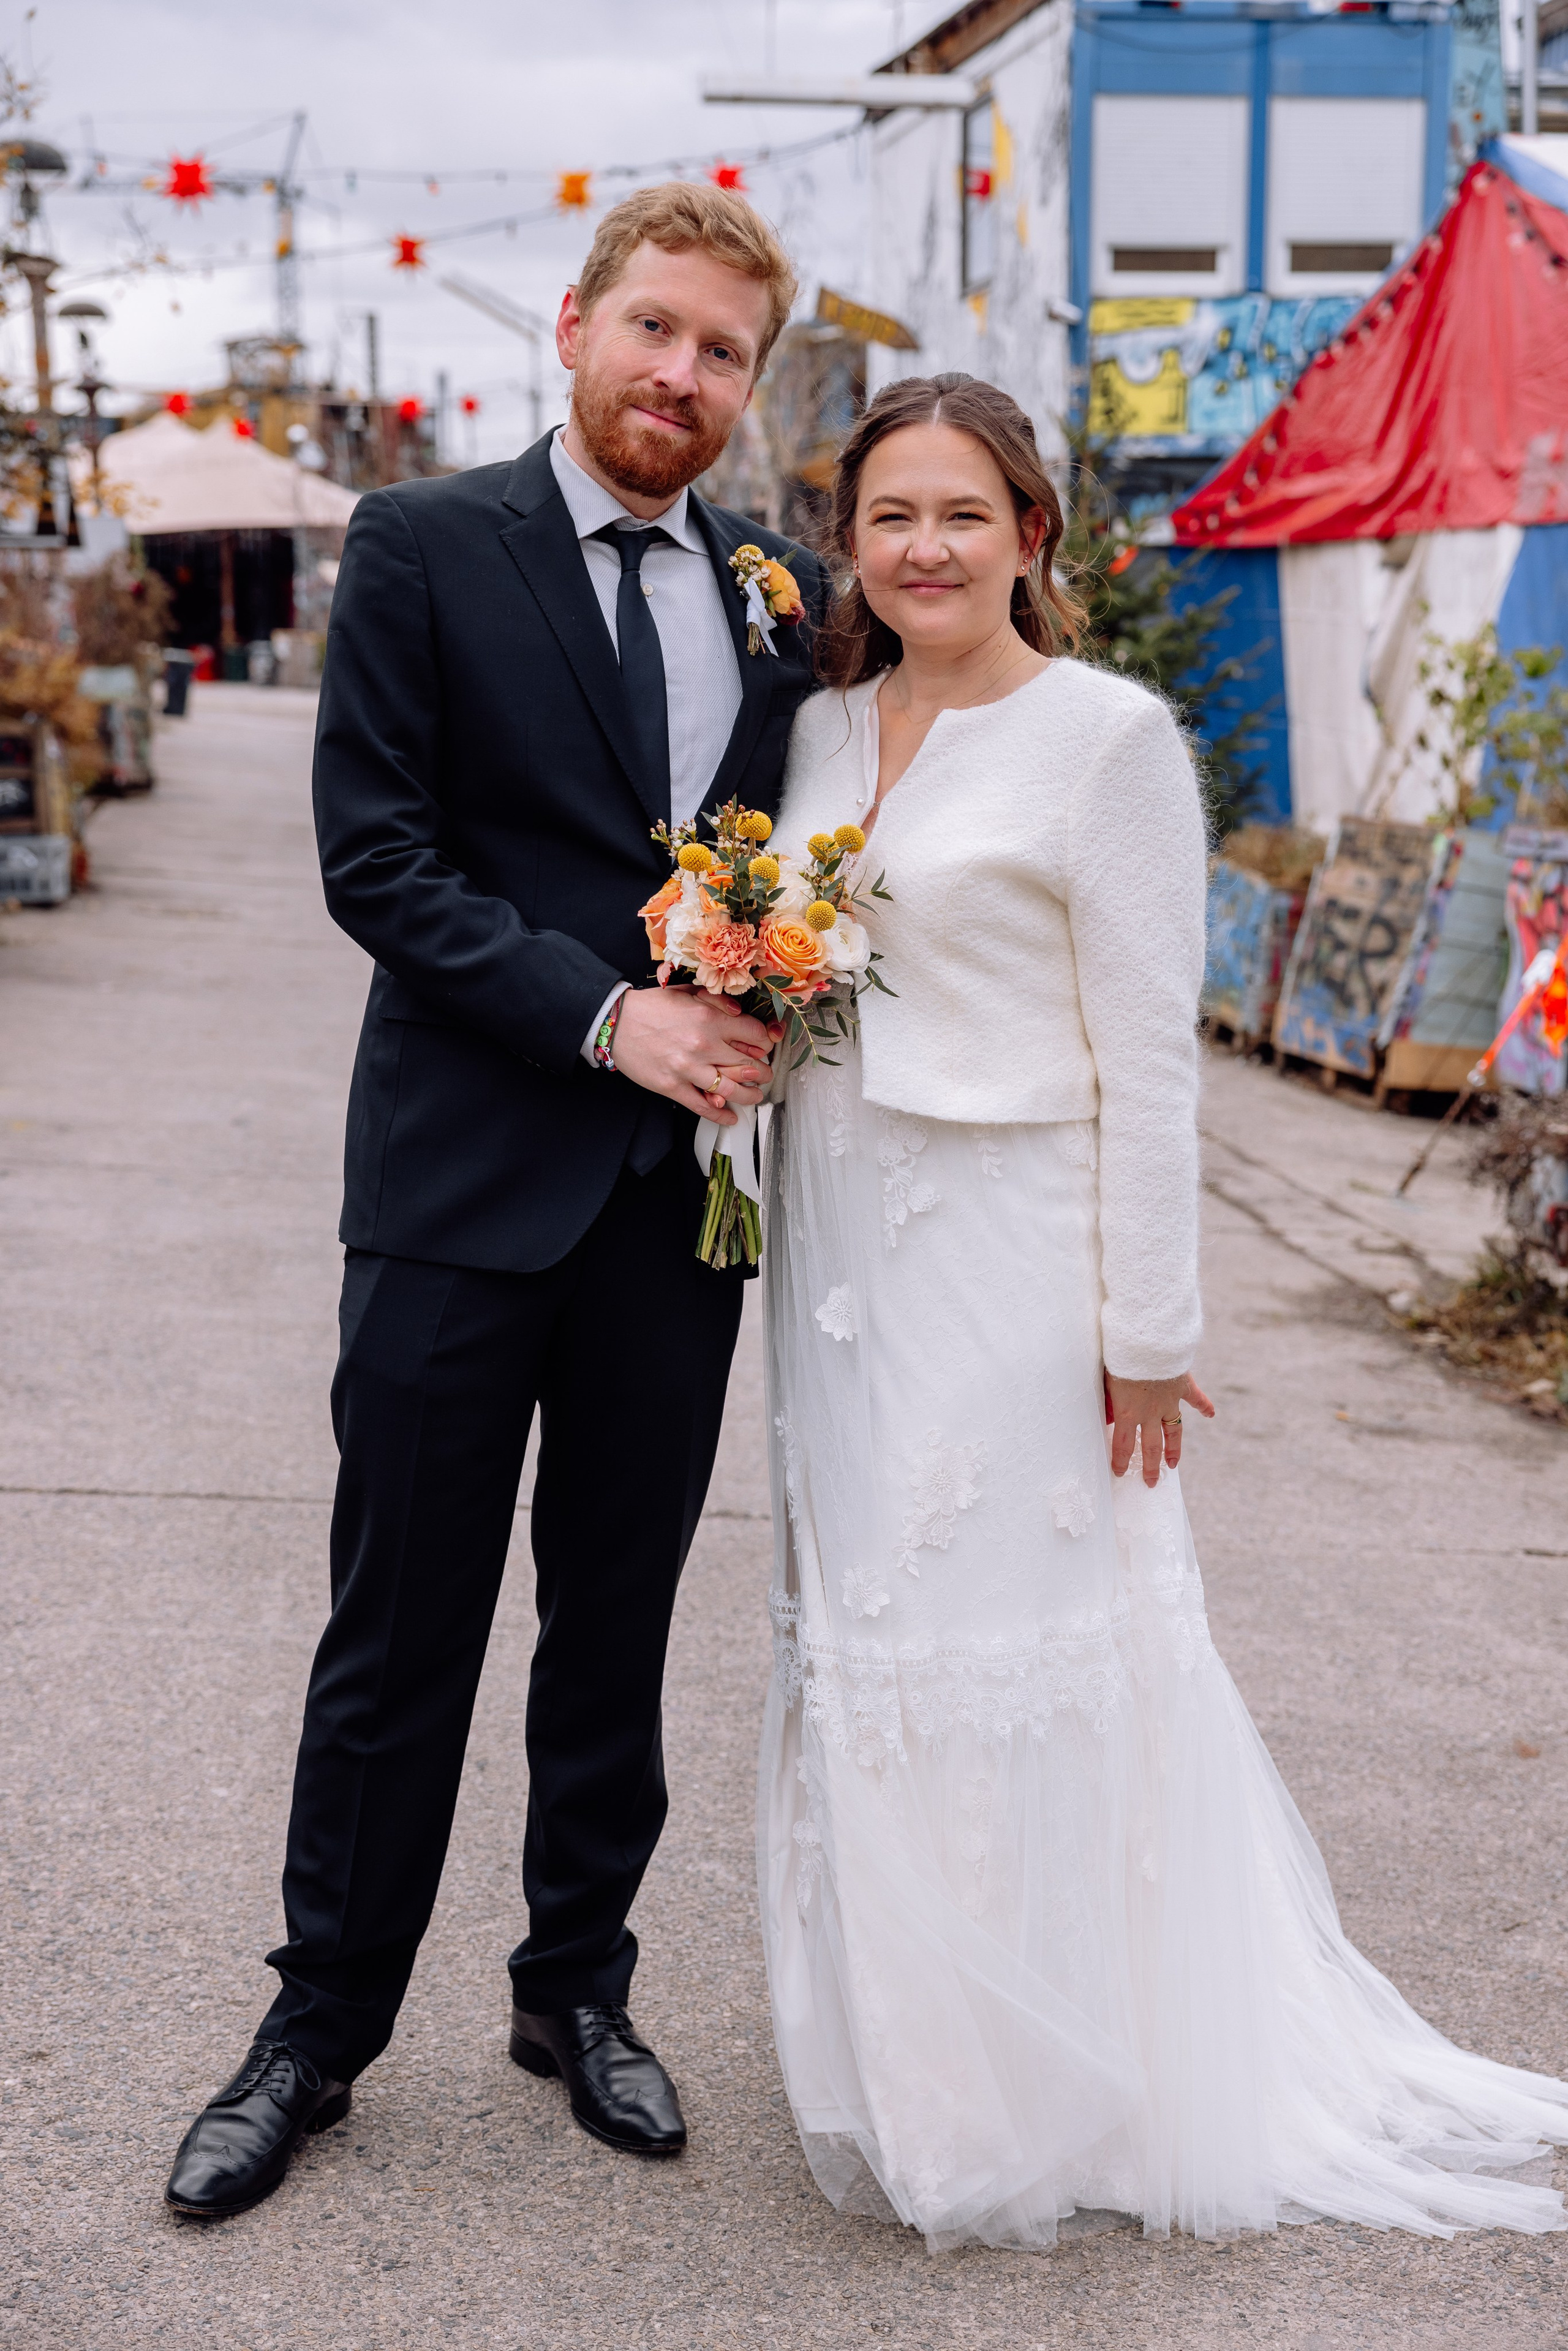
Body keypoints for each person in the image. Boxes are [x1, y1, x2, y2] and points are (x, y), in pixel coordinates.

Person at [757, 371, 1568, 2249]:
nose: (926, 547)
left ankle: (1063, 2082)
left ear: (1033, 534)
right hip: (844, 1252)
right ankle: (925, 2064)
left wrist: (1153, 1329)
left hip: (1016, 1257)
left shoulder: (1109, 740)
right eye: (891, 517)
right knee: (871, 1643)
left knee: (1019, 1643)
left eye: (964, 513)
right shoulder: (816, 734)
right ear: (851, 546)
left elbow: (1154, 1058)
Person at [165, 183, 824, 2220]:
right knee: (401, 1630)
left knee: (614, 1625)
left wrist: (786, 993)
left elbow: (806, 852)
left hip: (668, 1213)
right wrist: (607, 1018)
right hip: (460, 1193)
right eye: (656, 331)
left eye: (723, 353)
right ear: (574, 323)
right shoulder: (425, 543)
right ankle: (318, 2027)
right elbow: (380, 862)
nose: (683, 378)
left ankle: (578, 1992)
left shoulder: (779, 587)